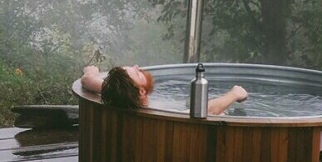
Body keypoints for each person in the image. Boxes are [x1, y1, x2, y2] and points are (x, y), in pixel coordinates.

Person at [80, 64, 248, 115]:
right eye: (137, 72)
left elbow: (88, 79)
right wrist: (234, 94)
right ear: (141, 92)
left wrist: (92, 69)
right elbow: (204, 111)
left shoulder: (118, 94)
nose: (138, 66)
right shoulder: (157, 114)